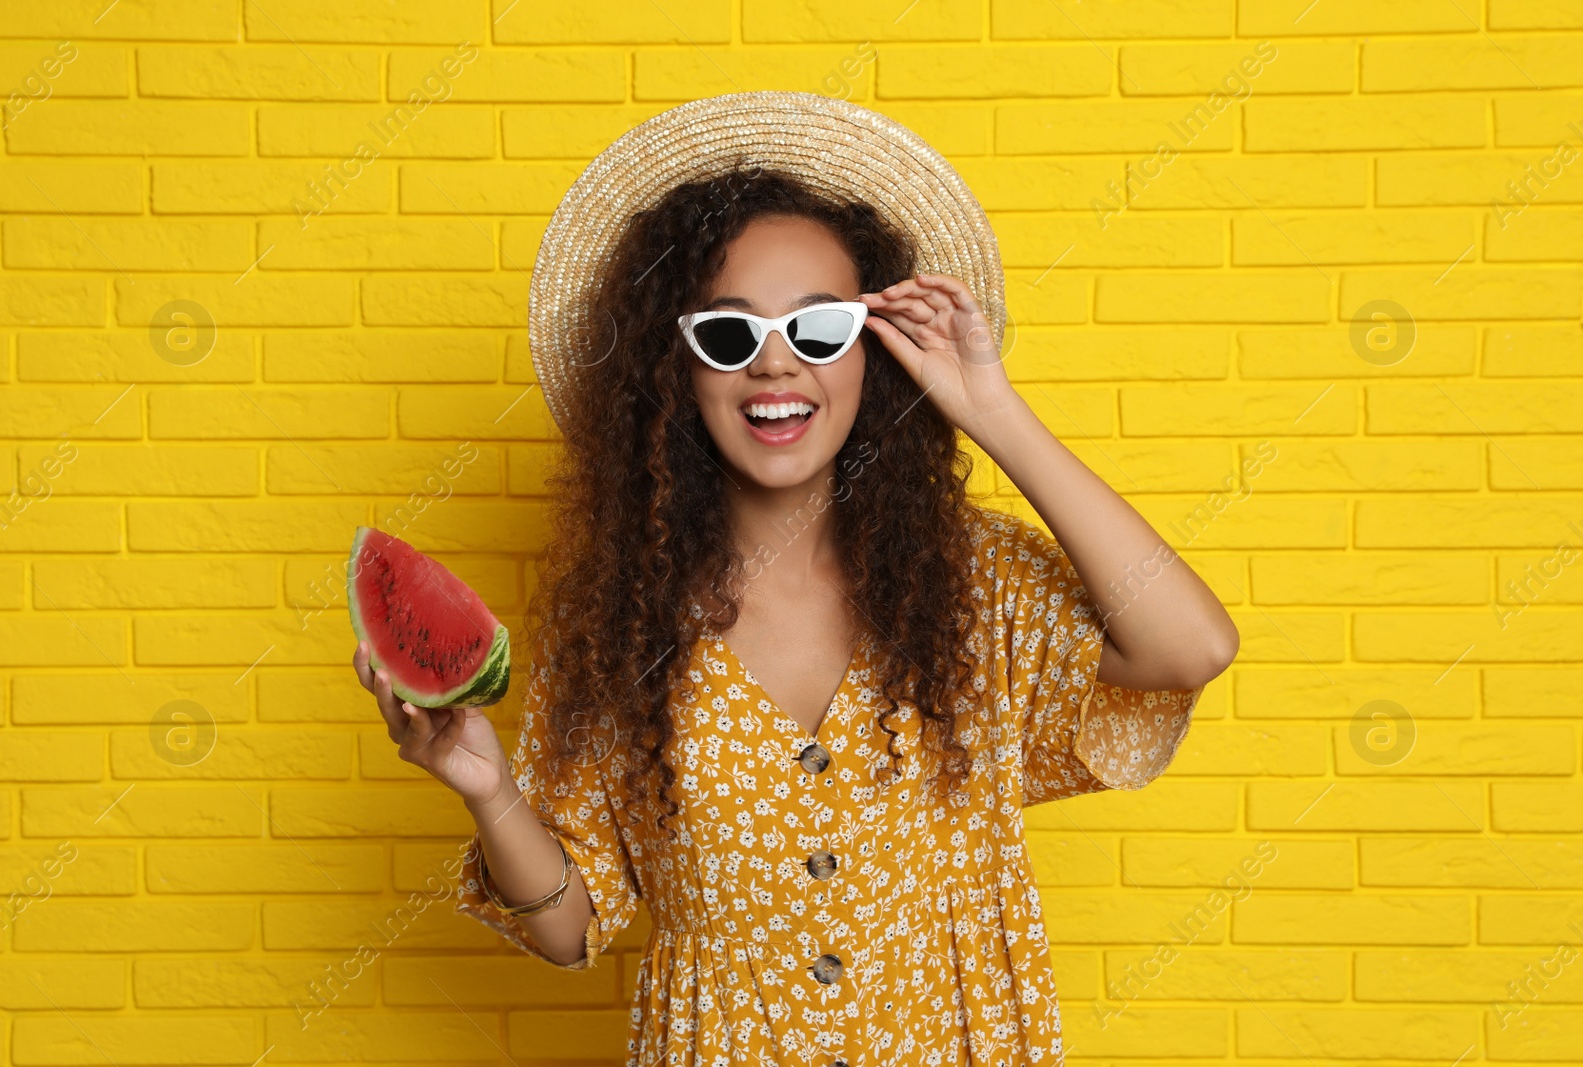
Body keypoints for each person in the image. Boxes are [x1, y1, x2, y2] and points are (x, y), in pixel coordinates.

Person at [353, 92, 1238, 1066]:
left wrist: (989, 406)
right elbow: (567, 929)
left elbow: (1190, 646)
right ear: (674, 368)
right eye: (726, 336)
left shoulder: (973, 582)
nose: (774, 363)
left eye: (819, 328)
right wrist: (487, 789)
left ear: (874, 349)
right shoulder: (618, 616)